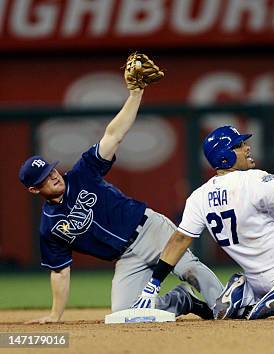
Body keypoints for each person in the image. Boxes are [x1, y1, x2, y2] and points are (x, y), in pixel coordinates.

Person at [19, 55, 223, 324]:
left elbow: (113, 135)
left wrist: (135, 94)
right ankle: (180, 300)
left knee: (189, 269)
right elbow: (59, 272)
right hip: (126, 257)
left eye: (52, 169)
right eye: (45, 177)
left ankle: (227, 306)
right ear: (35, 190)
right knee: (124, 315)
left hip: (149, 230)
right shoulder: (50, 226)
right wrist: (55, 315)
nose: (53, 176)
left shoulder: (83, 173)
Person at [133, 126, 274, 320]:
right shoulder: (249, 180)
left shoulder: (199, 197)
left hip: (255, 277)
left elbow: (179, 240)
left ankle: (244, 295)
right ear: (226, 156)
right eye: (239, 145)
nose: (247, 148)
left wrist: (153, 284)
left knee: (253, 301)